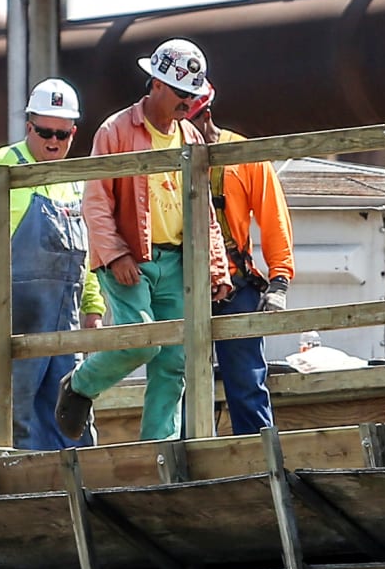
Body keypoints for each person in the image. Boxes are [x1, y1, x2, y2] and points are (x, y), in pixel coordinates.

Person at [56, 38, 232, 443]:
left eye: (192, 95)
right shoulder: (116, 130)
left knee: (174, 360)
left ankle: (160, 450)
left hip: (176, 261)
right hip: (128, 257)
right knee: (141, 340)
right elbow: (96, 200)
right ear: (155, 84)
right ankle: (81, 385)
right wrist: (115, 254)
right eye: (180, 93)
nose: (187, 102)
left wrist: (217, 267)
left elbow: (204, 210)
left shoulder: (191, 137)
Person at [0, 78, 107, 454]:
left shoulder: (71, 182)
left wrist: (93, 304)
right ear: (29, 126)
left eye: (63, 134)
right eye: (45, 131)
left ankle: (73, 486)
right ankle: (2, 488)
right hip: (13, 314)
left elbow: (86, 248)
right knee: (10, 409)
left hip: (65, 318)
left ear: (73, 133)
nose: (53, 141)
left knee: (70, 407)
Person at [183, 84, 293, 435]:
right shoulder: (167, 155)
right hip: (181, 286)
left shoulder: (243, 155)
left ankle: (261, 466)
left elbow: (272, 216)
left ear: (204, 116)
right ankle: (187, 472)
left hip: (235, 286)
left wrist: (279, 279)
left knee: (246, 384)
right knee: (182, 387)